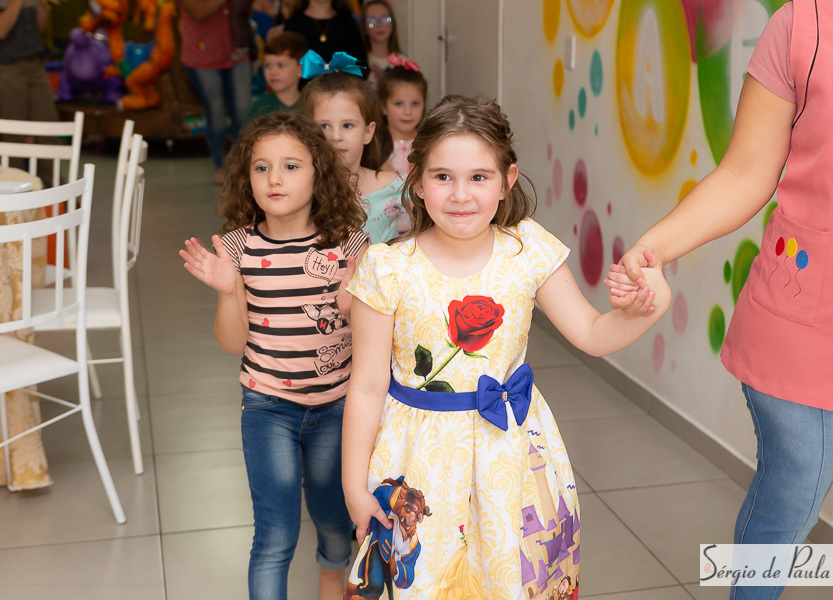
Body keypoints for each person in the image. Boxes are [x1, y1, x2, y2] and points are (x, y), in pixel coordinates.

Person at [607, 1, 833, 598]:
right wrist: (654, 248)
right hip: (805, 327)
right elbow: (745, 173)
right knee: (784, 514)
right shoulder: (804, 24)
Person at [341, 96, 670, 599]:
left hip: (512, 449)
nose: (460, 195)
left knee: (511, 577)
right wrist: (354, 487)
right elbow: (365, 387)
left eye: (479, 177)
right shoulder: (387, 267)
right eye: (442, 176)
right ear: (416, 178)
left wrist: (646, 308)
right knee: (421, 582)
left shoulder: (527, 248)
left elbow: (593, 334)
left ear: (507, 180)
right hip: (419, 460)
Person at [178, 112, 368, 600]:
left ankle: (332, 587)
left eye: (290, 166)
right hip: (268, 407)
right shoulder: (237, 248)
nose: (274, 179)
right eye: (260, 168)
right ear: (247, 178)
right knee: (274, 537)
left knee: (332, 521)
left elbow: (370, 331)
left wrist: (353, 298)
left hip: (337, 407)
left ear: (318, 173)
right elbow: (232, 342)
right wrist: (226, 291)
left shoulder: (349, 243)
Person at [299, 63, 407, 244]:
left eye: (347, 126)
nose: (335, 137)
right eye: (324, 126)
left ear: (368, 132)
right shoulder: (300, 191)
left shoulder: (394, 187)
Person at [179, 0, 253, 185]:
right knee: (216, 111)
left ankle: (239, 164)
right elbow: (197, 11)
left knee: (244, 110)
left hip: (237, 49)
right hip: (202, 54)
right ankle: (219, 166)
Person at [0, 0, 59, 188]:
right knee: (13, 136)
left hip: (35, 65)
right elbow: (2, 30)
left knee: (49, 131)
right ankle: (16, 198)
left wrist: (44, 4)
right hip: (8, 68)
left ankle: (57, 193)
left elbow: (39, 27)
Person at [284, 0, 367, 74]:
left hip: (342, 88)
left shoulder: (348, 23)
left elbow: (362, 67)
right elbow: (286, 65)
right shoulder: (293, 24)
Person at [244, 31, 309, 127]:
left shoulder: (310, 105)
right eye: (268, 65)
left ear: (301, 70)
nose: (273, 72)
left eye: (280, 65)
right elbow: (245, 140)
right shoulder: (259, 107)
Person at [376, 56, 426, 174]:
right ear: (383, 106)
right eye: (399, 104)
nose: (408, 112)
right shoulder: (375, 142)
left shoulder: (427, 141)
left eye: (415, 103)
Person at [360, 0, 401, 87]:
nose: (379, 25)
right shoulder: (359, 63)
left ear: (392, 24)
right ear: (364, 27)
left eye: (385, 19)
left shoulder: (403, 62)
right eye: (372, 21)